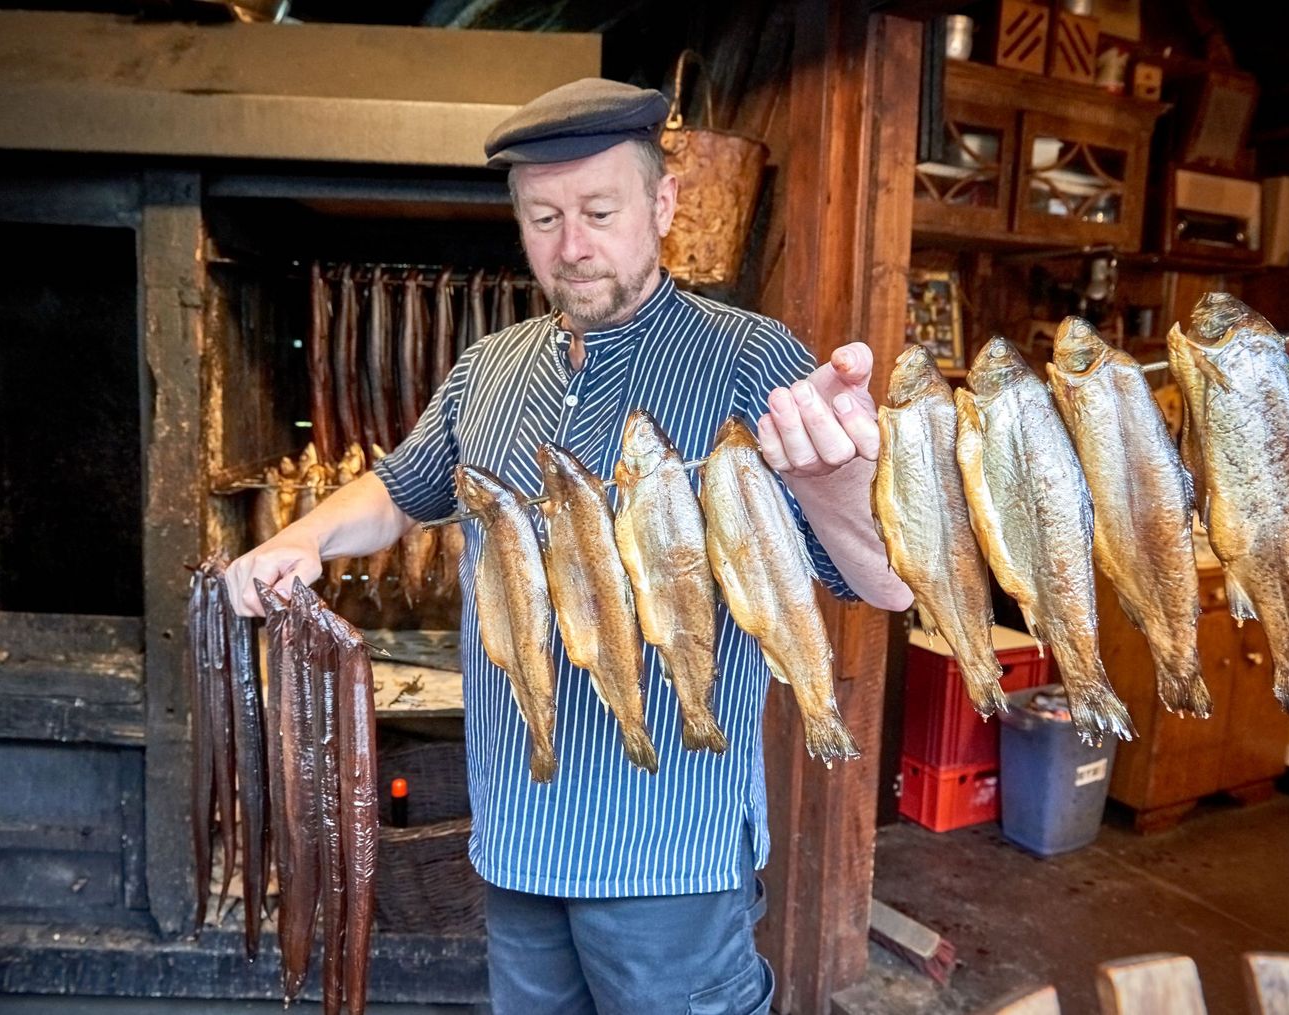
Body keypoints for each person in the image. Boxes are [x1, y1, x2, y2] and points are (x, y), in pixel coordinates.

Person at [226, 77, 912, 1015]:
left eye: (599, 210)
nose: (572, 245)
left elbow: (880, 583)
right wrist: (303, 537)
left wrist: (836, 483)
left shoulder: (751, 360)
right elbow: (401, 489)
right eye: (543, 217)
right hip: (515, 833)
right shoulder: (489, 368)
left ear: (662, 205)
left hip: (667, 851)